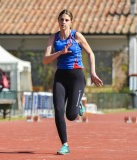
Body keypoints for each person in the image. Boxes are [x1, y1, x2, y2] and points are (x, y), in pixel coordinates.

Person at [42, 9, 103, 155]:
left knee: (71, 115)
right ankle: (65, 145)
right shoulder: (53, 38)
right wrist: (59, 53)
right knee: (58, 110)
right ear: (58, 21)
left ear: (71, 22)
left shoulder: (77, 36)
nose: (63, 22)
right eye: (61, 19)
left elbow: (90, 53)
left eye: (66, 20)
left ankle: (77, 103)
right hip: (60, 77)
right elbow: (45, 60)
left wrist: (93, 72)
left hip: (77, 76)